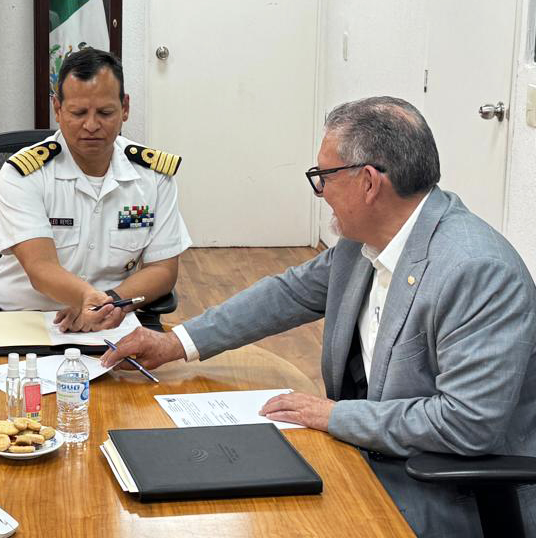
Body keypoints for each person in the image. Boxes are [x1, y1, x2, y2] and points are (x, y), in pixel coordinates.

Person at [101, 96, 536, 536]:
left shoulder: (476, 271)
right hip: (364, 454)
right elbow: (286, 293)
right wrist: (175, 343)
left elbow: (465, 424)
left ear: (368, 182)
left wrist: (334, 416)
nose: (320, 192)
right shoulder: (363, 244)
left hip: (443, 496)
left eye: (324, 177)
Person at [0, 47, 192, 332]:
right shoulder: (23, 174)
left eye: (105, 112)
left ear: (125, 108)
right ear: (57, 109)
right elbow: (40, 267)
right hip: (24, 320)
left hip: (113, 320)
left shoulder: (154, 177)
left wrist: (107, 305)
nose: (92, 125)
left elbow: (163, 269)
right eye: (79, 112)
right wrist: (87, 299)